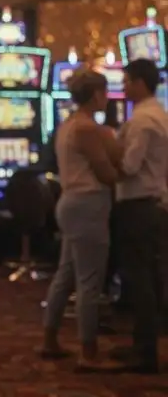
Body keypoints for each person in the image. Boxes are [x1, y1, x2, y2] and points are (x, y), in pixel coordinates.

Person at [40, 70, 119, 370]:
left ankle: (49, 340)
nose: (108, 98)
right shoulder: (87, 128)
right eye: (105, 92)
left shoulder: (69, 125)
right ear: (96, 94)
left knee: (66, 275)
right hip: (88, 204)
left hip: (71, 202)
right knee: (89, 282)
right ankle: (89, 353)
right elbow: (105, 172)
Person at [110, 58, 168, 373]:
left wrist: (103, 154)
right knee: (150, 277)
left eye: (127, 80)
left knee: (139, 278)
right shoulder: (160, 115)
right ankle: (143, 345)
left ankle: (145, 352)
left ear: (142, 83)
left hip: (137, 205)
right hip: (154, 203)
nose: (124, 86)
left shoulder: (143, 121)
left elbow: (129, 167)